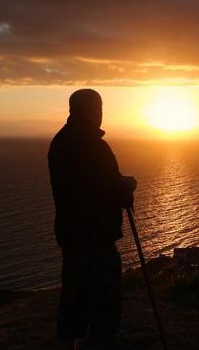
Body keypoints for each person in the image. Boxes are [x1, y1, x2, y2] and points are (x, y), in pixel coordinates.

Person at [48, 88, 137, 350]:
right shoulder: (95, 146)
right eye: (99, 109)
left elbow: (87, 183)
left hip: (71, 237)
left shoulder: (59, 142)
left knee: (73, 300)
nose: (101, 115)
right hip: (98, 238)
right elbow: (110, 188)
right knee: (105, 307)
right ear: (91, 110)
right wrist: (128, 186)